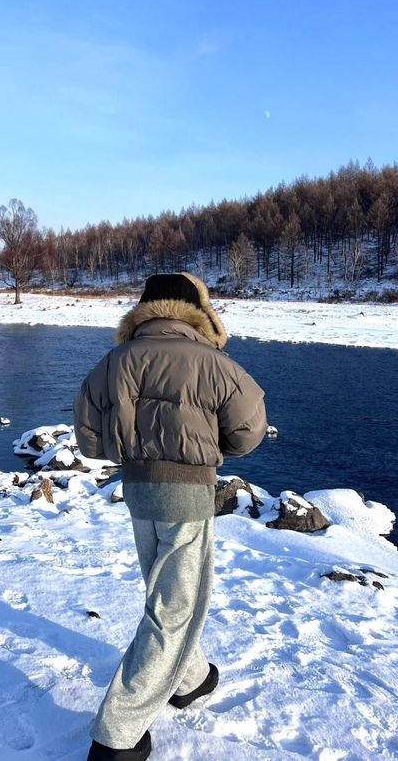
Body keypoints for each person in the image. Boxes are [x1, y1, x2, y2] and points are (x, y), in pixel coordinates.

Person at [73, 272, 268, 761]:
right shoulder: (213, 361)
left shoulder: (114, 360)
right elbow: (248, 431)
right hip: (187, 491)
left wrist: (133, 449)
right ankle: (118, 733)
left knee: (168, 595)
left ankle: (191, 678)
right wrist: (207, 448)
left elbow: (89, 437)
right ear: (197, 311)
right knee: (175, 606)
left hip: (138, 489)